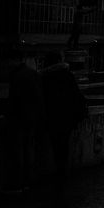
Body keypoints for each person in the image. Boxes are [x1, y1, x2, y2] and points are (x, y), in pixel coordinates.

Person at [40, 50, 87, 182]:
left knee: (56, 145)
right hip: (67, 117)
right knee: (64, 144)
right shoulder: (67, 75)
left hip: (53, 116)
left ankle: (59, 170)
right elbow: (76, 96)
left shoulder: (45, 77)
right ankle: (63, 171)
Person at [6, 50, 43, 192]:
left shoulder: (16, 76)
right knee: (29, 150)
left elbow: (14, 100)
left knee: (18, 151)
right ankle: (29, 181)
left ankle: (17, 183)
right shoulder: (33, 74)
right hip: (33, 118)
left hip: (20, 118)